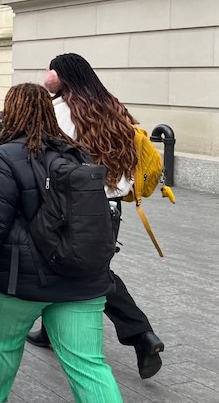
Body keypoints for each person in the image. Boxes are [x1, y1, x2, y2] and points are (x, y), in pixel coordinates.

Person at [0, 83, 129, 403]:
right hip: (81, 280)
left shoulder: (4, 157)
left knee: (3, 345)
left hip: (19, 279)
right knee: (90, 366)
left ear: (11, 113)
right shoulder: (79, 154)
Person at [25, 53, 164, 380]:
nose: (46, 73)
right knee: (89, 267)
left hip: (68, 207)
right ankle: (54, 331)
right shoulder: (115, 109)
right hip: (110, 208)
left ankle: (141, 333)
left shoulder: (58, 112)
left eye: (50, 69)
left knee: (68, 266)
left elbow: (38, 159)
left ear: (61, 75)